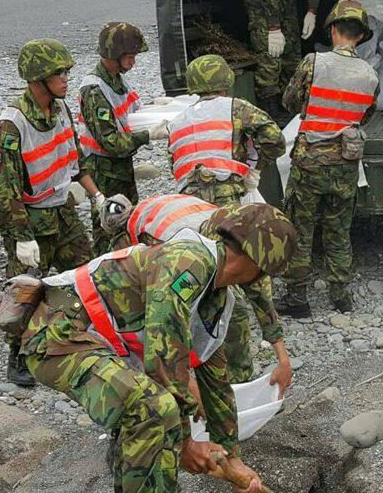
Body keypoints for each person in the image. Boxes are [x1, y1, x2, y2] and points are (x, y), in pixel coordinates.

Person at [20, 203, 296, 493]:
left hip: (93, 338)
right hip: (56, 330)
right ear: (258, 265)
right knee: (157, 410)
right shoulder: (188, 263)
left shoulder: (216, 296)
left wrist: (232, 457)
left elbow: (215, 381)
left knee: (154, 415)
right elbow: (163, 355)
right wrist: (187, 442)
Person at [99, 194, 293, 394]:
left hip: (191, 231)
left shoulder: (230, 240)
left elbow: (258, 295)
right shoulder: (171, 229)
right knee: (211, 316)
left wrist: (283, 360)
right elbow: (164, 324)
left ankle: (235, 383)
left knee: (231, 312)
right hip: (190, 238)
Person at [0, 39, 100, 386]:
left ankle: (73, 334)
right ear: (38, 78)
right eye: (59, 73)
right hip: (28, 215)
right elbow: (6, 186)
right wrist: (22, 237)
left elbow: (75, 158)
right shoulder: (13, 124)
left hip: (61, 208)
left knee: (84, 272)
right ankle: (17, 356)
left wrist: (96, 195)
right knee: (25, 288)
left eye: (67, 71)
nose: (67, 78)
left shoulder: (61, 109)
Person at [276, 0, 379, 317]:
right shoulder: (370, 74)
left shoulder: (313, 62)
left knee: (301, 230)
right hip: (346, 166)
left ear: (333, 30)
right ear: (360, 37)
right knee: (339, 230)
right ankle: (340, 296)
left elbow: (289, 101)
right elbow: (366, 116)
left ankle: (298, 299)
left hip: (309, 164)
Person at [79, 22, 166, 253]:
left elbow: (131, 115)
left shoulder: (116, 79)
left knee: (129, 220)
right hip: (102, 169)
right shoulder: (94, 90)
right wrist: (147, 135)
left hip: (120, 167)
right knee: (107, 228)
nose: (133, 62)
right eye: (129, 56)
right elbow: (110, 142)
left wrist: (158, 109)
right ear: (113, 55)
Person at [166, 55, 285, 208]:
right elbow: (276, 140)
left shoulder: (176, 122)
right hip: (228, 194)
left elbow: (173, 164)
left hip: (188, 201)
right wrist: (256, 169)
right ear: (226, 81)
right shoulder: (236, 108)